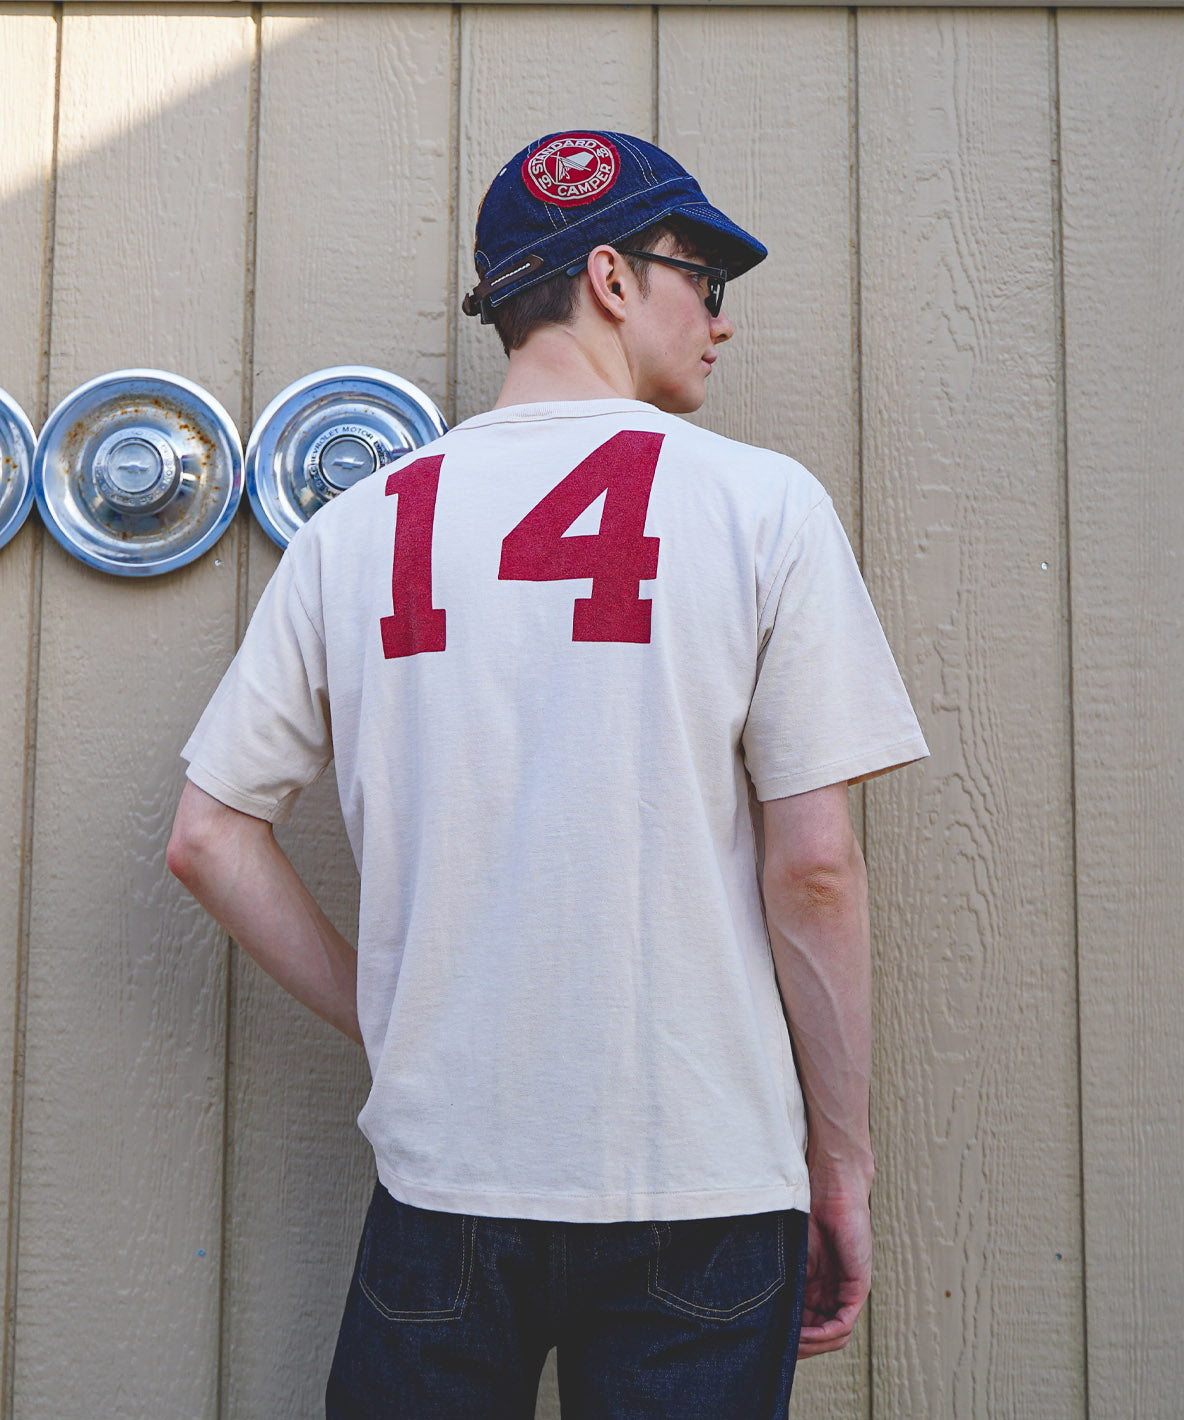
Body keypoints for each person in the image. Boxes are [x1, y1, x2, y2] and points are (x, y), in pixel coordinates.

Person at [168, 129, 927, 1418]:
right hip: (703, 1177)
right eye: (705, 280)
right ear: (612, 278)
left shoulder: (354, 530)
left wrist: (387, 1015)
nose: (722, 321)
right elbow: (814, 870)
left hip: (446, 1172)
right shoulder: (763, 507)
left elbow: (208, 836)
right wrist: (841, 1164)